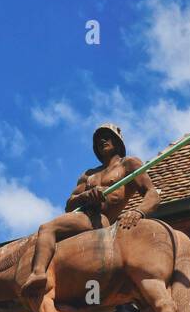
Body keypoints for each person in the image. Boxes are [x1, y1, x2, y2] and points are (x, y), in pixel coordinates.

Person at [21, 124, 161, 297]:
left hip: (101, 219)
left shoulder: (129, 164)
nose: (102, 140)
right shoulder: (88, 175)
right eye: (98, 139)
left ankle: (38, 273)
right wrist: (87, 195)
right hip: (85, 215)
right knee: (46, 228)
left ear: (117, 142)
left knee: (47, 228)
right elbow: (69, 204)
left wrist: (138, 212)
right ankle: (40, 272)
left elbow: (152, 194)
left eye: (106, 136)